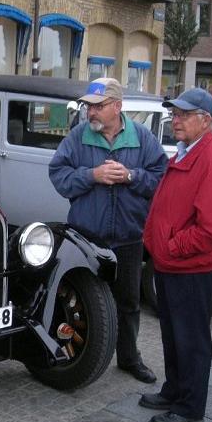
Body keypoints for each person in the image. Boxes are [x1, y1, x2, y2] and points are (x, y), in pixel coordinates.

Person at [49, 78, 168, 384]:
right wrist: (92, 175)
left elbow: (161, 178)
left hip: (128, 237)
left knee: (128, 302)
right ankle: (75, 356)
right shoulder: (77, 137)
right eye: (89, 106)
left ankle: (129, 358)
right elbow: (58, 176)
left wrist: (131, 175)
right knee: (80, 300)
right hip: (86, 239)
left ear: (118, 107)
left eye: (99, 107)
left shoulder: (142, 137)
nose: (91, 113)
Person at [140, 88, 212, 422]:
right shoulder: (187, 151)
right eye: (174, 114)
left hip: (190, 268)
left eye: (183, 115)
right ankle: (175, 390)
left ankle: (190, 409)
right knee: (173, 335)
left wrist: (170, 246)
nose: (175, 121)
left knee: (191, 341)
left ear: (205, 121)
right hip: (172, 265)